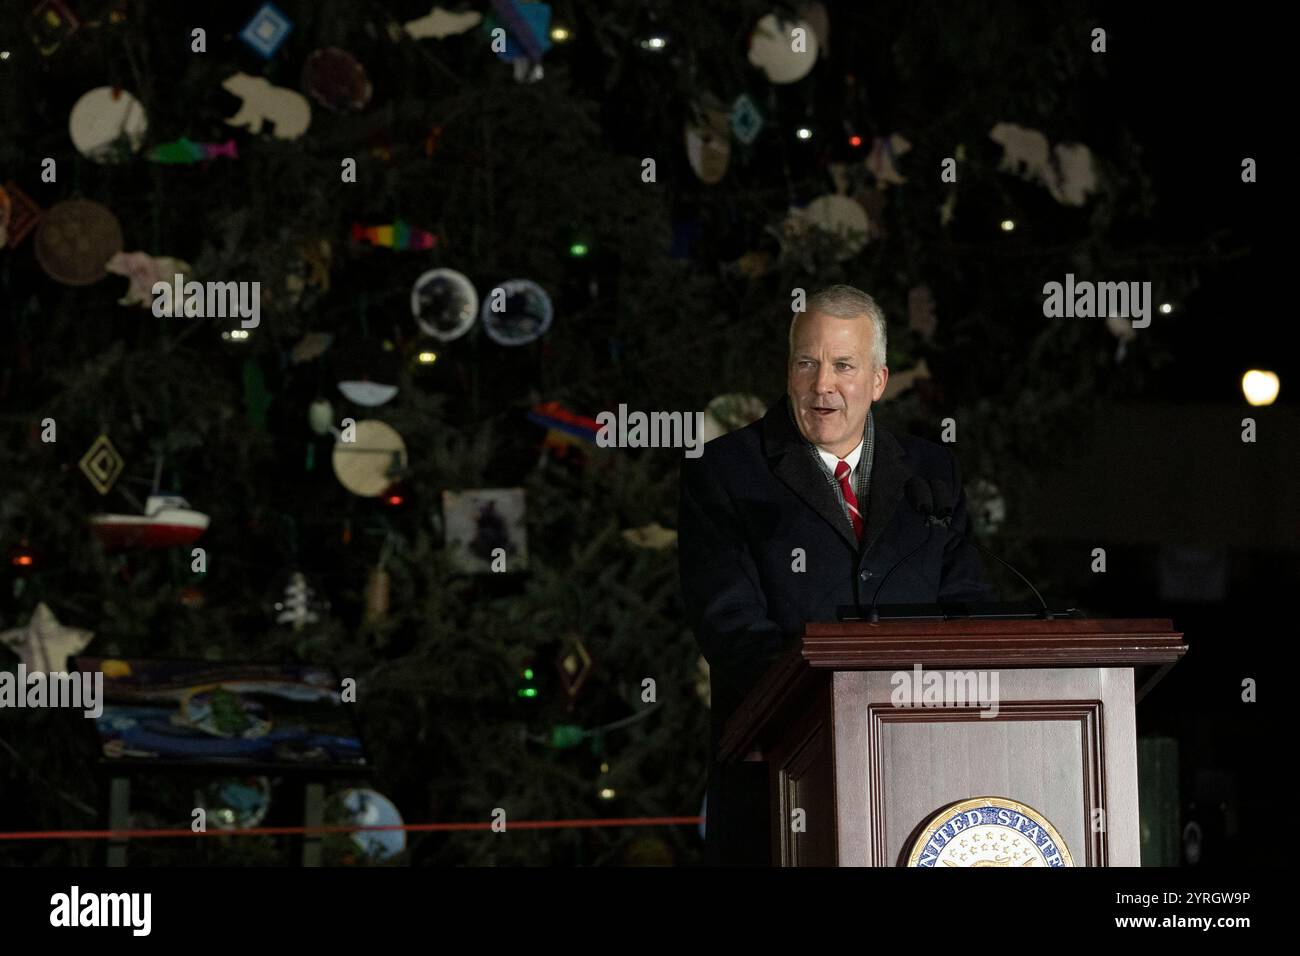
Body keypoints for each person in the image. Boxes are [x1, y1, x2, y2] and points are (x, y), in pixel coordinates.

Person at [678, 284, 994, 865]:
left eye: (843, 365)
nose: (822, 385)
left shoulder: (931, 472)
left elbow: (967, 604)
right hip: (781, 783)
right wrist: (841, 708)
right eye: (807, 363)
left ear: (877, 381)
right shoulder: (725, 473)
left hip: (921, 778)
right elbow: (731, 629)